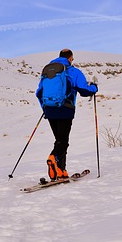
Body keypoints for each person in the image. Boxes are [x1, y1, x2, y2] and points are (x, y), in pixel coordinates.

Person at [36, 48, 98, 181]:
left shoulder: (47, 72)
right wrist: (94, 88)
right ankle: (53, 158)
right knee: (63, 141)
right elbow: (84, 90)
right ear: (70, 58)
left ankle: (61, 170)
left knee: (59, 140)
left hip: (50, 110)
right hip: (65, 109)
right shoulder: (73, 71)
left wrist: (45, 108)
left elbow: (39, 92)